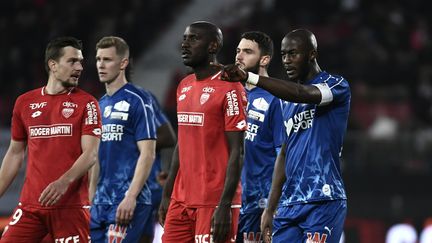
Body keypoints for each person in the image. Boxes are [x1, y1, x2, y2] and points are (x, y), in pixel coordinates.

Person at [217, 29, 350, 243]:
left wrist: (250, 77)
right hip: (289, 204)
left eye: (293, 54)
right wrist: (270, 208)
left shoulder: (336, 85)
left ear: (312, 54)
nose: (287, 60)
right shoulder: (285, 102)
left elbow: (304, 94)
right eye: (284, 54)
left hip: (323, 198)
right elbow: (284, 153)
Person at [0, 36, 102, 242]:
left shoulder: (87, 103)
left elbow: (90, 154)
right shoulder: (25, 103)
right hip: (30, 206)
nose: (80, 67)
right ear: (53, 65)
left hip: (70, 208)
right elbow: (15, 153)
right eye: (72, 61)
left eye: (81, 61)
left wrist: (64, 182)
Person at [159, 21, 248, 243]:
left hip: (214, 201)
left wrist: (225, 204)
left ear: (213, 46)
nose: (185, 44)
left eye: (193, 39)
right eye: (185, 39)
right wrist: (167, 193)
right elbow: (183, 143)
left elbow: (238, 150)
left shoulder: (230, 86)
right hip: (181, 200)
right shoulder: (184, 85)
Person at [89, 36, 157, 242]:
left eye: (107, 59)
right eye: (98, 59)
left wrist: (131, 197)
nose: (101, 64)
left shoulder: (139, 99)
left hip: (126, 201)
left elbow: (148, 153)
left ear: (123, 63)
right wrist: (90, 200)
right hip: (100, 203)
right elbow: (95, 160)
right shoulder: (99, 105)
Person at [234, 31, 285, 243]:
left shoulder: (277, 98)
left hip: (258, 203)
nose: (239, 57)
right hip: (227, 201)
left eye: (247, 52)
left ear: (264, 59)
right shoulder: (230, 93)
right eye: (238, 51)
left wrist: (273, 206)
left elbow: (282, 154)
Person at [140, 93, 176, 243]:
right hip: (111, 192)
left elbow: (169, 137)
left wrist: (137, 144)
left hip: (147, 187)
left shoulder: (143, 99)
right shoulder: (101, 103)